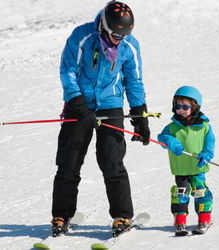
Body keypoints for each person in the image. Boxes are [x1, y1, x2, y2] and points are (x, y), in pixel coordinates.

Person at [51, 1, 150, 237]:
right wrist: (77, 104)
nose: (119, 39)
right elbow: (68, 71)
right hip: (80, 104)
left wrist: (139, 114)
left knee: (111, 161)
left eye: (124, 35)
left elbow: (134, 81)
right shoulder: (82, 36)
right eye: (116, 34)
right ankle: (61, 215)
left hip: (111, 103)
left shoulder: (129, 45)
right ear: (104, 26)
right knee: (68, 161)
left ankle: (122, 215)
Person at [157, 86, 215, 236]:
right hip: (181, 168)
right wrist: (170, 140)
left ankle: (204, 218)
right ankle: (180, 220)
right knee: (180, 193)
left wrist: (206, 155)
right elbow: (161, 138)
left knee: (200, 192)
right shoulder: (172, 127)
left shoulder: (204, 127)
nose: (180, 110)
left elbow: (210, 145)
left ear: (195, 107)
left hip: (198, 168)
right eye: (177, 106)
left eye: (185, 107)